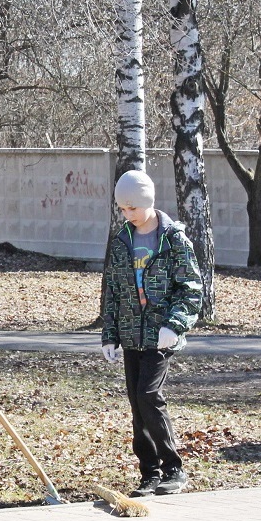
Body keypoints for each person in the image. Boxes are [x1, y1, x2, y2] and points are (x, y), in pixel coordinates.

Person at [101, 170, 203, 498]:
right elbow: (113, 290)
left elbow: (191, 287)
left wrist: (174, 325)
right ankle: (149, 473)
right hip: (131, 334)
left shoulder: (173, 239)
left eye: (132, 208)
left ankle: (174, 469)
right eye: (122, 209)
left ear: (147, 201)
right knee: (136, 403)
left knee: (148, 396)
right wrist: (109, 334)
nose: (127, 214)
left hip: (161, 336)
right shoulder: (122, 242)